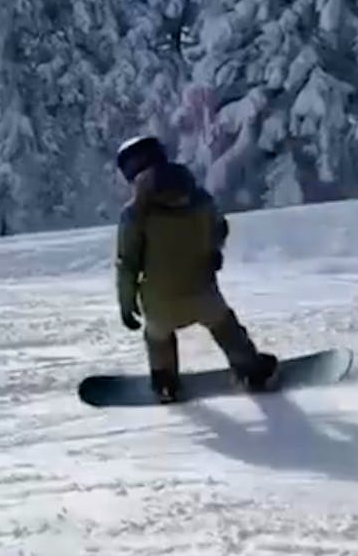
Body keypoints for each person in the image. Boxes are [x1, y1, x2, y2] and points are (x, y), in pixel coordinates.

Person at [113, 135, 278, 402]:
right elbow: (219, 228)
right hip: (203, 292)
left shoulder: (135, 212)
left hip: (159, 301)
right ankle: (250, 370)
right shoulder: (199, 197)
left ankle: (165, 383)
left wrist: (126, 302)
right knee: (225, 326)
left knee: (158, 335)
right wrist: (212, 252)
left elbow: (128, 262)